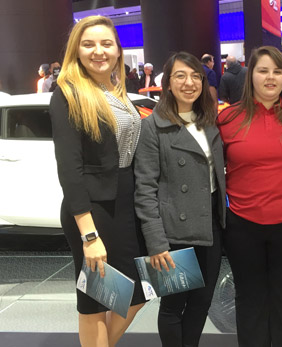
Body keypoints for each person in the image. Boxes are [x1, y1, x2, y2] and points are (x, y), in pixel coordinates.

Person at [48, 15, 146, 346]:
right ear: (77, 50)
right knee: (95, 302)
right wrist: (89, 235)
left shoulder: (114, 90)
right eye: (88, 44)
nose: (98, 51)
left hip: (123, 202)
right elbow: (69, 168)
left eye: (106, 43)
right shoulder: (68, 93)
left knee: (134, 293)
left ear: (118, 51)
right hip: (94, 209)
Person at [217, 46, 282, 347]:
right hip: (244, 226)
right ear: (251, 76)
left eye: (277, 71)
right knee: (249, 299)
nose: (271, 77)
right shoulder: (228, 119)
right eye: (263, 70)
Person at [133, 51, 225, 347]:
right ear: (168, 83)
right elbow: (145, 188)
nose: (189, 82)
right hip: (174, 231)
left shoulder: (209, 119)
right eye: (180, 76)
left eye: (195, 76)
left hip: (210, 224)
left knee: (201, 302)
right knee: (173, 306)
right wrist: (156, 243)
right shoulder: (153, 126)